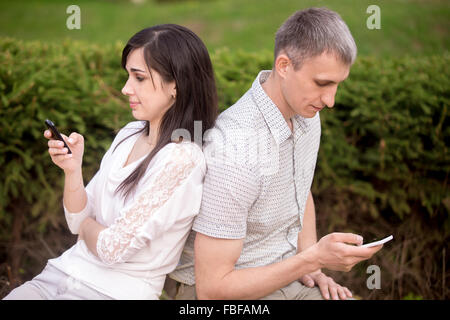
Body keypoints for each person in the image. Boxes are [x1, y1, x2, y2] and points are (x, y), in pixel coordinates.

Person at [166, 7, 383, 300]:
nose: (330, 101)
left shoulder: (306, 116)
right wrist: (312, 259)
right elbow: (212, 289)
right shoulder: (235, 149)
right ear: (283, 66)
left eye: (336, 85)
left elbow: (300, 187)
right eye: (322, 83)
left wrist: (311, 262)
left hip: (287, 274)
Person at [3, 24, 218, 300]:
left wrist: (88, 229)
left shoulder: (182, 159)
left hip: (112, 292)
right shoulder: (129, 133)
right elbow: (76, 220)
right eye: (128, 75)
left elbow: (112, 247)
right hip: (61, 274)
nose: (125, 88)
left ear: (175, 85)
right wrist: (72, 170)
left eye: (139, 78)